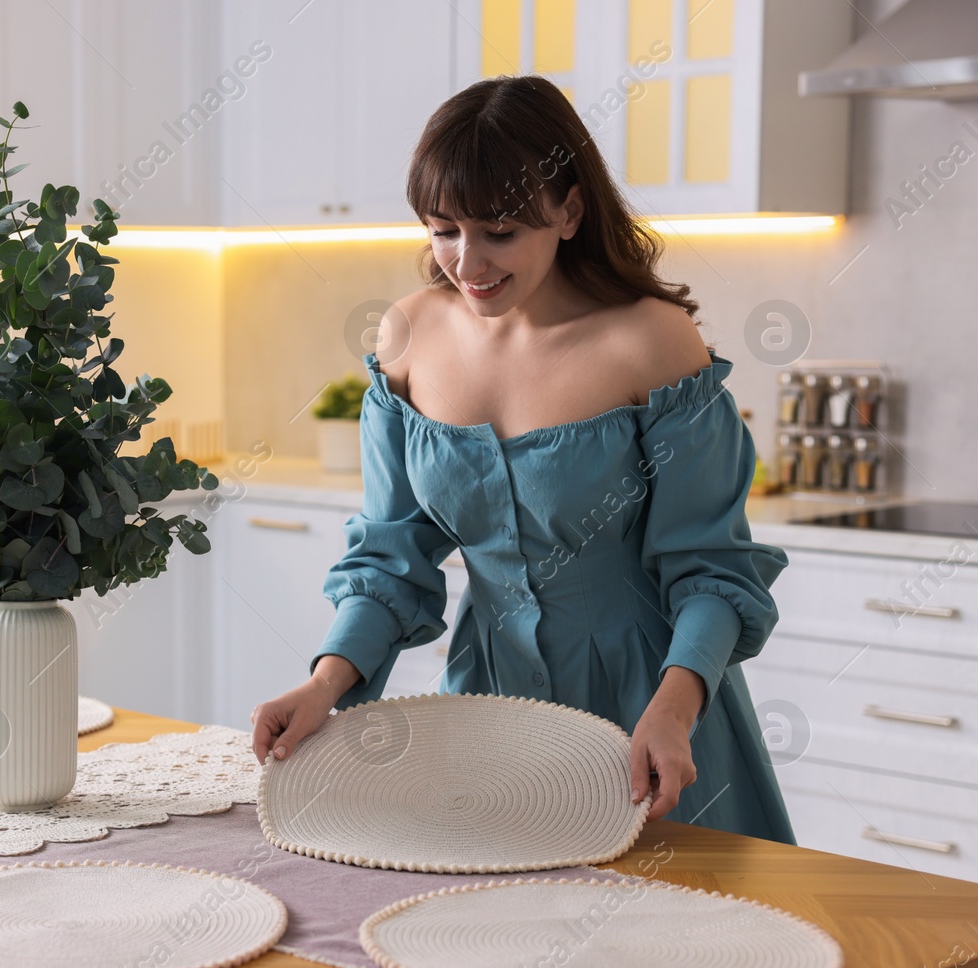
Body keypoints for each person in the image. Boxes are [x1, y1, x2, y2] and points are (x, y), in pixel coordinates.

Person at [249, 75, 795, 845]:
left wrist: (674, 709)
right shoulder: (407, 337)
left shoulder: (652, 340)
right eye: (444, 229)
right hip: (490, 711)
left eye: (500, 231)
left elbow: (710, 568)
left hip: (654, 716)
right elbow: (390, 556)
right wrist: (325, 682)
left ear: (569, 210)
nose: (466, 262)